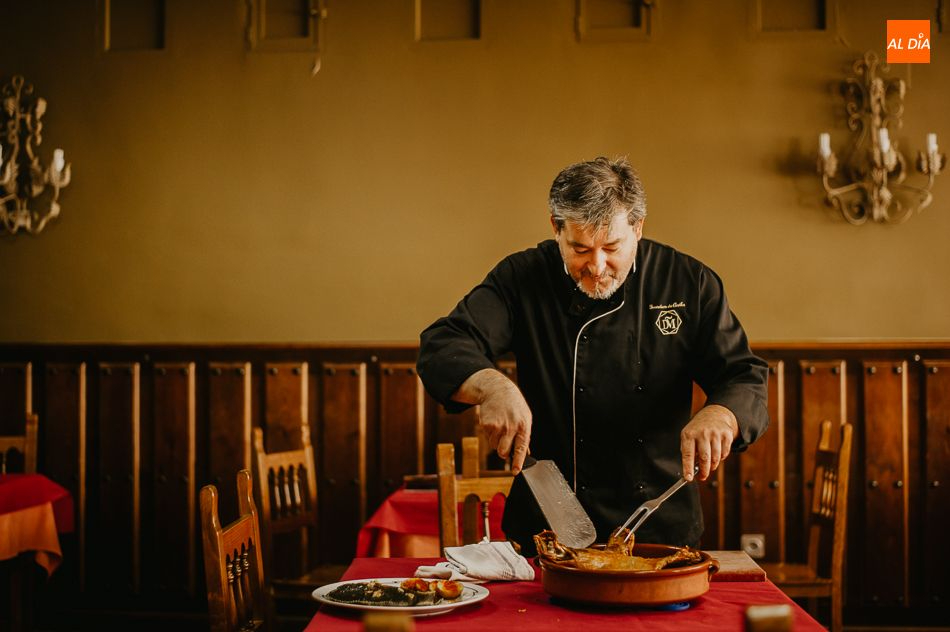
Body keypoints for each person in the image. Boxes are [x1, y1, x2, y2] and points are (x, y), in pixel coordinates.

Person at [417, 156, 769, 553]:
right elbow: (442, 344)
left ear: (638, 227)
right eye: (580, 248)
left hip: (658, 531)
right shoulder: (522, 277)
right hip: (546, 531)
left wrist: (722, 414)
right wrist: (491, 386)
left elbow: (744, 375)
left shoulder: (688, 282)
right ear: (556, 228)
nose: (597, 266)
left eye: (613, 247)